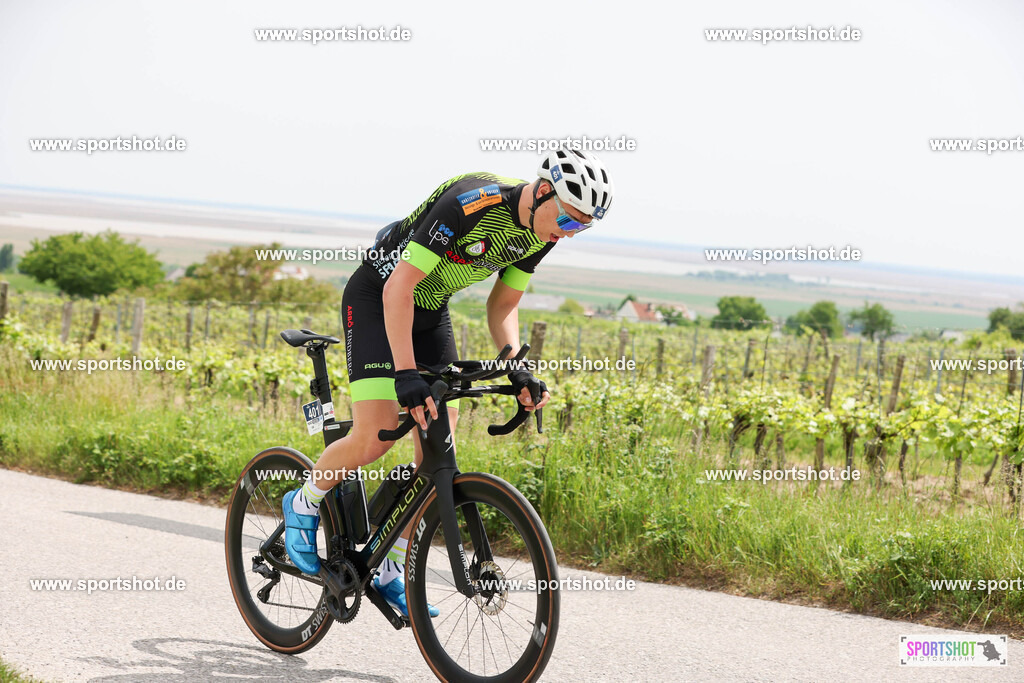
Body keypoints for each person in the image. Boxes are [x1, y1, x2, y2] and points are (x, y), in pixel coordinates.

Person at [282, 149, 615, 617]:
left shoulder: (543, 232)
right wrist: (405, 374)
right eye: (567, 219)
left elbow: (503, 305)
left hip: (430, 308)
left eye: (581, 227)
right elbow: (399, 287)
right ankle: (303, 502)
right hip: (378, 296)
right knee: (376, 436)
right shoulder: (469, 203)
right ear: (543, 191)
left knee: (436, 445)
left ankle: (391, 567)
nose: (569, 232)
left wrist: (516, 366)